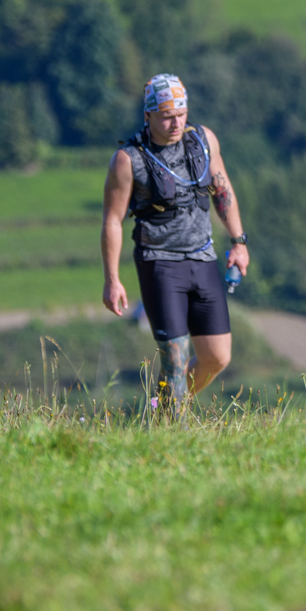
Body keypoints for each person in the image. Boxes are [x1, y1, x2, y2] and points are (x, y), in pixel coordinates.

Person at [100, 73, 252, 408]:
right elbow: (112, 221)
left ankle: (162, 409)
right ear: (149, 115)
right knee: (175, 358)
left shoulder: (204, 141)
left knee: (217, 356)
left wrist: (238, 243)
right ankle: (170, 427)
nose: (176, 123)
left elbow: (222, 190)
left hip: (203, 258)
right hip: (160, 263)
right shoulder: (128, 160)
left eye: (181, 114)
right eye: (167, 116)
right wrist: (112, 280)